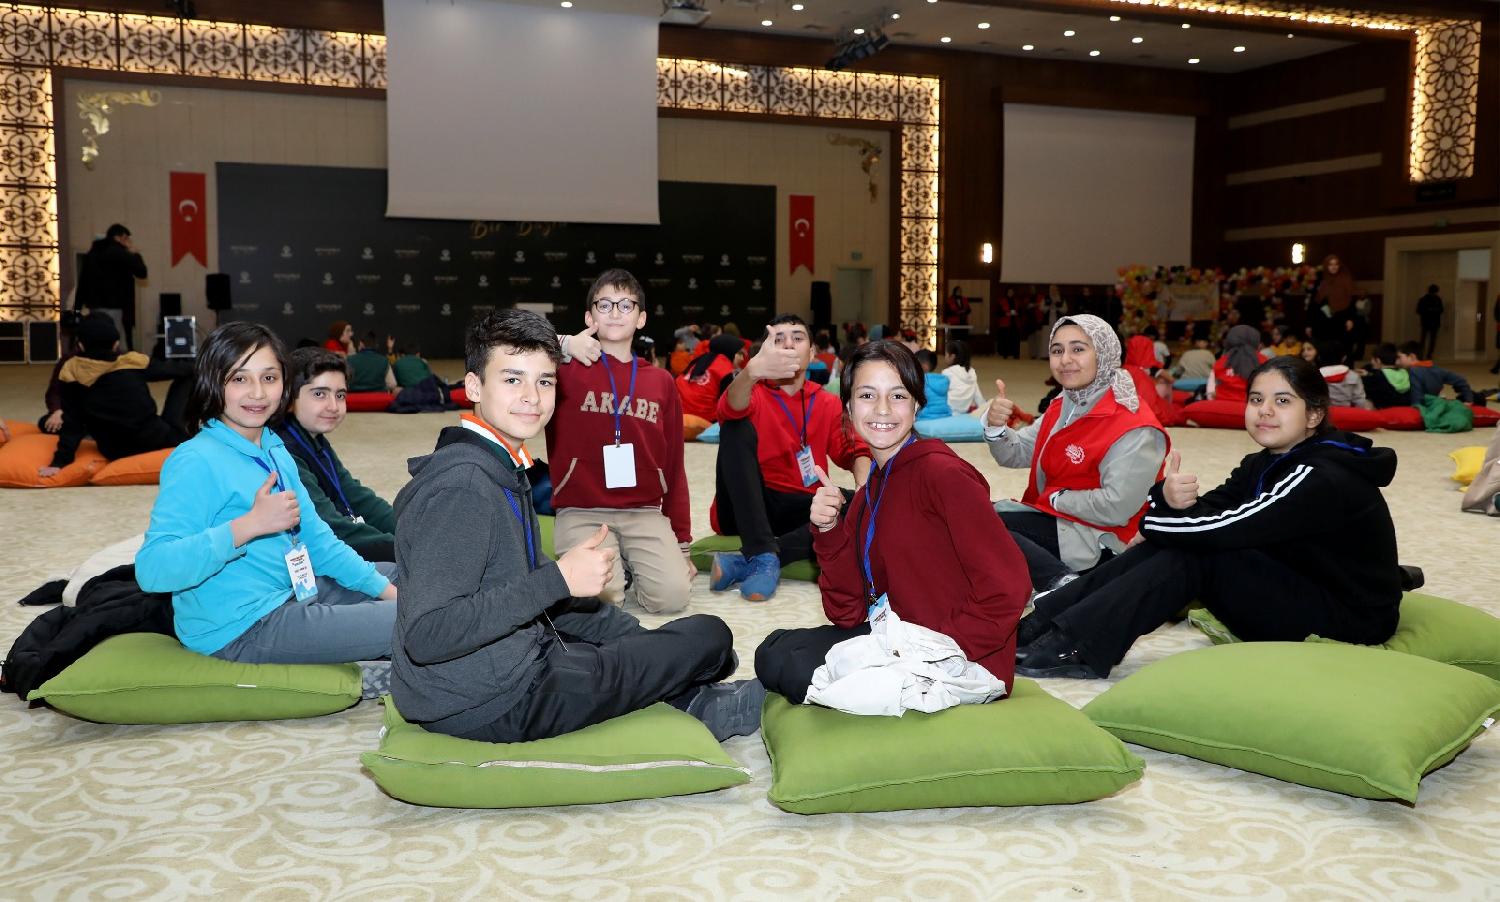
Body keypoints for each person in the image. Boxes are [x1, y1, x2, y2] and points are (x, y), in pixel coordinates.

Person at [389, 309, 762, 743]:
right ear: (474, 386)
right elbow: (427, 635)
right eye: (512, 379)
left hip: (505, 665)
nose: (531, 397)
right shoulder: (465, 488)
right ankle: (694, 693)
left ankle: (693, 699)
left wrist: (649, 646)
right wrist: (559, 580)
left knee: (660, 640)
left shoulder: (498, 466)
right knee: (710, 636)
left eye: (544, 381)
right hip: (490, 700)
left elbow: (541, 597)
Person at [1015, 356, 1402, 679]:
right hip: (1299, 583)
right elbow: (1211, 510)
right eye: (1256, 399)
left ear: (1314, 414)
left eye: (1283, 401)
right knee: (1183, 541)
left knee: (1196, 554)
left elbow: (1226, 528)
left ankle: (1078, 644)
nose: (1265, 411)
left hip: (1347, 619)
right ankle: (1045, 624)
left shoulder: (1320, 476)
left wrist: (1152, 525)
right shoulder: (1265, 462)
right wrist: (1166, 499)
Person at [754, 341, 1030, 704]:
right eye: (867, 395)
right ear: (849, 407)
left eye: (898, 396)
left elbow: (1009, 588)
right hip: (895, 636)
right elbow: (847, 612)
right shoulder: (870, 491)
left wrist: (937, 650)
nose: (882, 409)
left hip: (959, 658)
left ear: (916, 405)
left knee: (796, 667)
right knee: (774, 650)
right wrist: (829, 531)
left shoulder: (943, 475)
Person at [136, 322, 398, 679]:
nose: (257, 393)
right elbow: (153, 570)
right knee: (415, 618)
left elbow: (319, 542)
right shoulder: (195, 460)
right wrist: (247, 526)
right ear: (213, 382)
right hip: (242, 626)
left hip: (293, 590)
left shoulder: (274, 447)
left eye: (269, 378)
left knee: (413, 577)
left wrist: (386, 590)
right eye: (239, 379)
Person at [984, 314, 1169, 581]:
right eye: (1057, 351)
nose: (1065, 360)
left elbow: (1116, 508)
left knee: (985, 526)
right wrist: (995, 427)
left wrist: (1057, 498)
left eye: (1078, 349)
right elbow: (1017, 453)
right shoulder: (1064, 404)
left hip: (1103, 539)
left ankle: (1060, 582)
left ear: (1103, 354)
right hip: (1058, 520)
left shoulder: (1134, 426)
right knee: (970, 513)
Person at [551, 270, 693, 615]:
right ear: (589, 317)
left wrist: (683, 545)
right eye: (604, 304)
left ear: (641, 318)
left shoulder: (661, 381)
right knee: (600, 601)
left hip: (643, 510)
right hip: (581, 510)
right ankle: (618, 571)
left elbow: (674, 464)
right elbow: (503, 341)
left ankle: (629, 561)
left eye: (626, 305)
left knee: (672, 598)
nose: (615, 312)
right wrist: (564, 343)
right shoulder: (564, 372)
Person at [710, 314, 871, 602]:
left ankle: (761, 557)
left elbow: (856, 450)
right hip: (746, 505)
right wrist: (751, 372)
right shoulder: (753, 392)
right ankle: (761, 550)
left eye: (797, 338)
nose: (788, 345)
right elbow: (729, 408)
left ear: (812, 353)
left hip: (800, 506)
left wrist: (863, 487)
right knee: (735, 426)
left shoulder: (827, 401)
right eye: (778, 339)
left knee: (856, 504)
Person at [271, 348, 397, 564]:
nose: (333, 406)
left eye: (340, 395)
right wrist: (407, 546)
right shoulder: (282, 449)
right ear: (289, 397)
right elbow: (332, 527)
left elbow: (356, 496)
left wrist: (413, 527)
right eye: (319, 394)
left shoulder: (312, 436)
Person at [41, 312, 193, 476]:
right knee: (191, 375)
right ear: (116, 344)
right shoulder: (132, 362)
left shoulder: (72, 371)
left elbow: (73, 421)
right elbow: (182, 370)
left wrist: (59, 462)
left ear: (81, 345)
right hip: (157, 439)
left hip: (114, 450)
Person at [74, 224, 147, 351]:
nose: (128, 242)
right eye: (126, 238)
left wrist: (77, 308)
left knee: (97, 341)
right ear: (119, 238)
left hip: (94, 307)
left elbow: (83, 282)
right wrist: (135, 254)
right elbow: (142, 272)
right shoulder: (120, 253)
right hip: (115, 307)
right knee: (113, 343)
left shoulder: (92, 253)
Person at [675, 333, 742, 425]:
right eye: (738, 353)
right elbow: (732, 402)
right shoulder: (725, 368)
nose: (742, 358)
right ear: (729, 352)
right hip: (705, 418)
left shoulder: (700, 360)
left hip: (679, 414)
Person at [1396, 341, 1474, 404]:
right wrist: (1468, 399)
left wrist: (1416, 409)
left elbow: (1416, 396)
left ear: (1412, 357)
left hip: (1422, 407)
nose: (1397, 361)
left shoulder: (1413, 371)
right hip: (1433, 402)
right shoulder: (1436, 369)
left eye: (1399, 357)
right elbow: (1461, 380)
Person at [1208, 324, 1270, 403]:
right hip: (1253, 406)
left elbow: (1210, 393)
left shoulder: (1220, 362)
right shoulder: (1265, 361)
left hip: (1222, 406)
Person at [942, 340, 985, 414]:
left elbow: (941, 392)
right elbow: (978, 395)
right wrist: (983, 408)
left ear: (952, 356)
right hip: (964, 410)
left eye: (945, 354)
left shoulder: (947, 372)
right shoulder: (972, 373)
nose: (945, 357)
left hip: (948, 410)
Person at [914, 348, 950, 420]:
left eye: (915, 365)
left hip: (925, 418)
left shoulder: (920, 381)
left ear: (924, 366)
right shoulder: (943, 380)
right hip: (945, 416)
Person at [1416, 284, 1444, 361]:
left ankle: (1425, 354)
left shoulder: (1427, 299)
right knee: (1428, 340)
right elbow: (1419, 310)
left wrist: (1429, 310)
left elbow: (1441, 310)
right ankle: (1426, 354)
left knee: (1426, 340)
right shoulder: (1433, 299)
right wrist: (1432, 310)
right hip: (1431, 322)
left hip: (1429, 322)